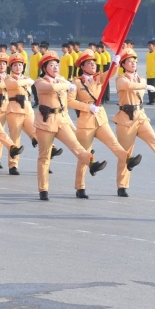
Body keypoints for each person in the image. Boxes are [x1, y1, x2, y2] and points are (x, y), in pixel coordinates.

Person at [69, 49, 142, 197]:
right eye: (89, 63)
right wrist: (88, 107)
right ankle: (80, 187)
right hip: (86, 121)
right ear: (82, 66)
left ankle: (128, 159)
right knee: (85, 155)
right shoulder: (76, 82)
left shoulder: (98, 78)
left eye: (94, 63)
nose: (93, 65)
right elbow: (70, 101)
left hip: (100, 119)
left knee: (114, 144)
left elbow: (110, 74)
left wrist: (115, 62)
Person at [34, 50, 102, 201]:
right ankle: (43, 189)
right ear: (45, 68)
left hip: (62, 120)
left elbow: (64, 107)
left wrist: (71, 125)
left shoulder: (63, 81)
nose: (55, 67)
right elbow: (51, 88)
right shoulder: (40, 82)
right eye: (51, 65)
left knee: (77, 147)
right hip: (45, 123)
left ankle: (91, 163)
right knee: (44, 157)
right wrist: (65, 85)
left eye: (56, 65)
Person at [112, 48, 155, 178]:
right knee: (125, 154)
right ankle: (122, 186)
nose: (133, 63)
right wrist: (145, 86)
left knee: (154, 139)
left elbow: (137, 85)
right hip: (126, 119)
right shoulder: (120, 79)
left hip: (140, 117)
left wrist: (143, 84)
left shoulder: (141, 79)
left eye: (134, 61)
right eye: (129, 61)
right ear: (123, 65)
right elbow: (128, 86)